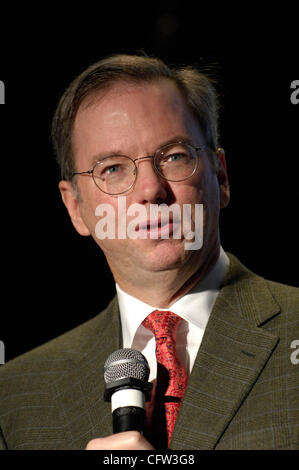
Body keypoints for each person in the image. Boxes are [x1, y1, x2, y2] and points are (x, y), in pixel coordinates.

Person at [0, 54, 298, 451]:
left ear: (221, 176)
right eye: (113, 169)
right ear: (75, 208)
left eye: (174, 156)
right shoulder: (14, 398)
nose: (150, 191)